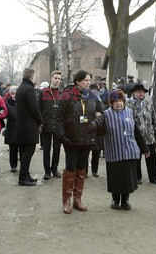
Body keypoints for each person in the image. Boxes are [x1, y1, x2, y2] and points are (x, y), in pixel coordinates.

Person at [89, 89, 149, 210]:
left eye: (121, 100)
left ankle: (125, 200)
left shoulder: (129, 112)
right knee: (115, 177)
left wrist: (144, 148)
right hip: (114, 151)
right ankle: (115, 199)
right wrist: (94, 123)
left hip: (129, 151)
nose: (118, 103)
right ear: (111, 102)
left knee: (127, 178)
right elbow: (100, 130)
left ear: (124, 101)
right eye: (115, 101)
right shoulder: (106, 114)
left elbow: (136, 132)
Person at [55, 70, 104, 214]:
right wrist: (62, 136)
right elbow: (58, 118)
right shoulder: (67, 95)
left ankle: (77, 198)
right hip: (71, 139)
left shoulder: (93, 96)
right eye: (86, 80)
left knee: (82, 169)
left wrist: (96, 121)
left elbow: (102, 112)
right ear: (77, 81)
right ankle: (66, 200)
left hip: (87, 139)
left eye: (89, 80)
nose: (88, 83)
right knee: (70, 168)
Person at [127, 83, 156, 185]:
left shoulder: (148, 103)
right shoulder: (129, 104)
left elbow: (154, 118)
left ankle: (153, 177)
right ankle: (137, 177)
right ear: (134, 93)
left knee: (151, 158)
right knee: (136, 158)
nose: (141, 94)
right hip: (136, 136)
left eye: (142, 92)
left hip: (149, 135)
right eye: (138, 92)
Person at [16, 68, 43, 186]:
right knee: (28, 151)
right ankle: (23, 178)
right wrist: (40, 121)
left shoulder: (21, 88)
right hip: (29, 125)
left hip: (22, 125)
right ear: (31, 77)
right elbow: (34, 108)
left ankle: (25, 175)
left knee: (24, 151)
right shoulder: (30, 89)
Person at [38, 71, 63, 180]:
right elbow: (38, 108)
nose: (57, 80)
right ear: (51, 78)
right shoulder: (43, 92)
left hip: (58, 126)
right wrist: (40, 123)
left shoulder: (62, 93)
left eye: (59, 78)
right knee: (46, 149)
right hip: (46, 125)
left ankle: (54, 169)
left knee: (57, 148)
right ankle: (47, 171)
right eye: (56, 78)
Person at [4, 86, 21, 172]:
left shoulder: (22, 103)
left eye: (16, 94)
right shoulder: (7, 103)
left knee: (22, 148)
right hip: (11, 129)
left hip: (21, 129)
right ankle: (13, 166)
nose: (14, 95)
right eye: (12, 94)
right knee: (13, 149)